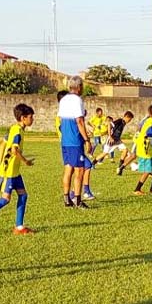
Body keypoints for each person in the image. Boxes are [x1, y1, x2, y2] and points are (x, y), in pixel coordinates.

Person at [0, 103, 35, 235]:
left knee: (23, 195)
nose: (32, 119)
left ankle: (19, 227)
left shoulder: (13, 128)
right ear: (23, 118)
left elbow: (2, 145)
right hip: (9, 171)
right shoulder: (17, 132)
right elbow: (14, 150)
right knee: (5, 199)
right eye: (31, 117)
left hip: (14, 171)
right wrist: (26, 162)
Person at [57, 76, 93, 209]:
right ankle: (78, 200)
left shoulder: (63, 99)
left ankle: (67, 199)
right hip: (74, 140)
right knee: (80, 170)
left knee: (68, 169)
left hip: (65, 140)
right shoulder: (77, 100)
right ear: (79, 87)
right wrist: (86, 139)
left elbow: (61, 121)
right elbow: (79, 121)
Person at [120, 104, 152, 195]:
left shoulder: (151, 121)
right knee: (147, 170)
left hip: (148, 148)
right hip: (144, 149)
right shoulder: (150, 122)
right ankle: (137, 189)